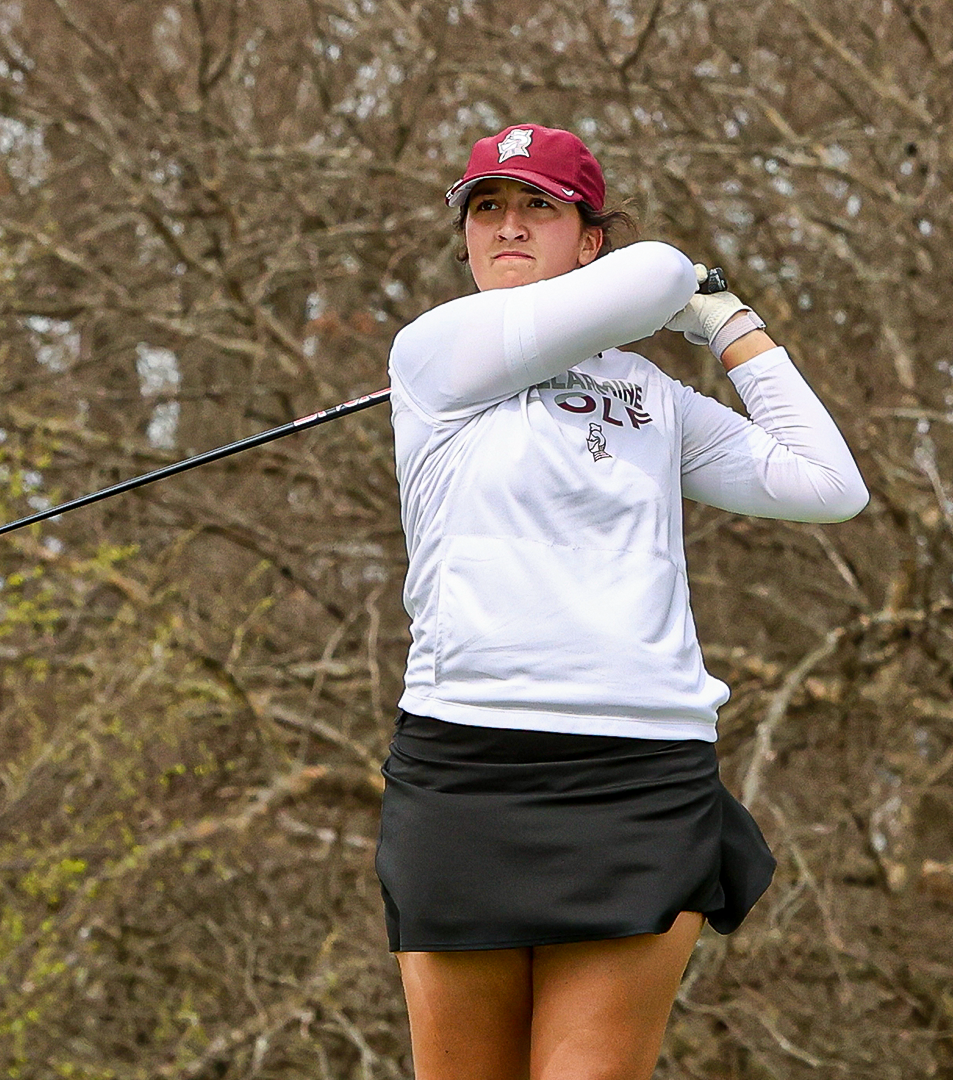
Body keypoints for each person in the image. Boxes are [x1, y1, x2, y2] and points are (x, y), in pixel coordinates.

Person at [380, 123, 869, 1080]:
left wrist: (728, 325)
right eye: (488, 208)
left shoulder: (648, 395)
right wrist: (682, 285)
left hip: (638, 774)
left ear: (588, 239)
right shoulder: (435, 352)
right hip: (471, 763)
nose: (507, 226)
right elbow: (657, 276)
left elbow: (826, 483)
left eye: (538, 207)